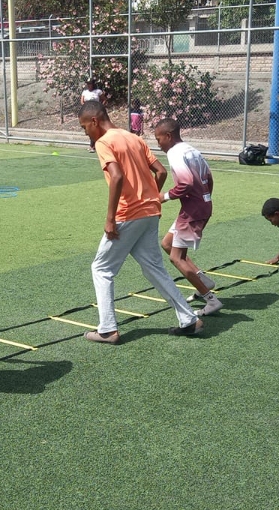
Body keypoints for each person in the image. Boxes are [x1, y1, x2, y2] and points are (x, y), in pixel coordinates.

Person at [78, 100, 201, 343]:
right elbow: (161, 172)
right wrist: (149, 197)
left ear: (94, 121)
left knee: (101, 269)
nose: (85, 133)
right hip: (150, 212)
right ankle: (189, 319)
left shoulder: (104, 142)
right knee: (154, 268)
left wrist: (110, 219)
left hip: (128, 215)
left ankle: (107, 330)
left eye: (84, 127)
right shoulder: (134, 138)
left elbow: (116, 177)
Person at [156, 116, 220, 315]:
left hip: (193, 210)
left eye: (158, 139)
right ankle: (203, 280)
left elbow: (186, 183)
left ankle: (211, 300)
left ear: (168, 136)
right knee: (167, 243)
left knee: (176, 258)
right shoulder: (192, 150)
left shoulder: (174, 153)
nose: (158, 144)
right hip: (199, 206)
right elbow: (209, 178)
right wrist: (205, 199)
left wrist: (164, 197)